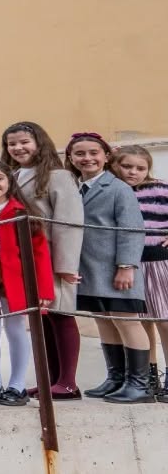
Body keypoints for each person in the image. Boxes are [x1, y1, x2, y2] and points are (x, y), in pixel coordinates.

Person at [66, 132, 151, 403]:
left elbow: (131, 230)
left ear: (106, 156)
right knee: (104, 321)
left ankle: (140, 384)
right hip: (91, 270)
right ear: (70, 158)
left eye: (93, 152)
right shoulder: (76, 187)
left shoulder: (118, 189)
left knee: (127, 322)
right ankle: (115, 377)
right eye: (80, 153)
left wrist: (126, 266)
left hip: (116, 270)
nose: (87, 158)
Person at [1, 121, 83, 399]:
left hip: (51, 257)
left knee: (61, 316)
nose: (18, 148)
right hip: (27, 259)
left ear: (39, 142)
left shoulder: (57, 176)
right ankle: (51, 380)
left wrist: (66, 265)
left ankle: (68, 381)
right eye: (12, 144)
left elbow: (69, 222)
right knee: (43, 318)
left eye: (24, 141)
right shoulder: (10, 175)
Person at [0, 160, 52, 406]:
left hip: (14, 281)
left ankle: (17, 384)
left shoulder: (22, 212)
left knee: (16, 328)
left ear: (9, 181)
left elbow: (40, 254)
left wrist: (43, 289)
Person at [114, 145, 168, 398]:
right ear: (115, 165)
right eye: (126, 166)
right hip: (129, 265)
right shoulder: (114, 190)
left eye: (140, 168)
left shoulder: (160, 189)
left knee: (164, 320)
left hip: (157, 261)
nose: (133, 172)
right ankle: (149, 374)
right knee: (141, 320)